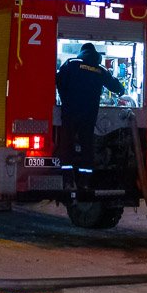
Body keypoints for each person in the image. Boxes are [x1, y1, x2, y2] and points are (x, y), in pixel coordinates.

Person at [55, 42, 126, 193]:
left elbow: (58, 80)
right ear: (95, 55)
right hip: (89, 114)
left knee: (66, 145)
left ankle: (68, 179)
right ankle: (85, 181)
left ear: (82, 52)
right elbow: (115, 86)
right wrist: (121, 91)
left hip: (70, 112)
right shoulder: (100, 70)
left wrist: (64, 98)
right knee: (87, 146)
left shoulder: (71, 64)